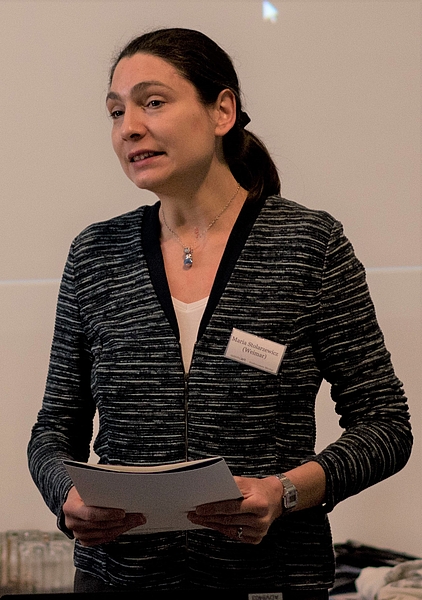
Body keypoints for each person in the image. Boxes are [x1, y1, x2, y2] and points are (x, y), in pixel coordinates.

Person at [28, 27, 412, 597]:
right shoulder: (95, 254)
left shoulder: (308, 245)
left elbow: (386, 425)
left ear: (222, 111)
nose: (128, 127)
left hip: (268, 581)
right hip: (119, 581)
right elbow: (52, 431)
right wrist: (66, 496)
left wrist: (285, 492)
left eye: (153, 102)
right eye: (116, 112)